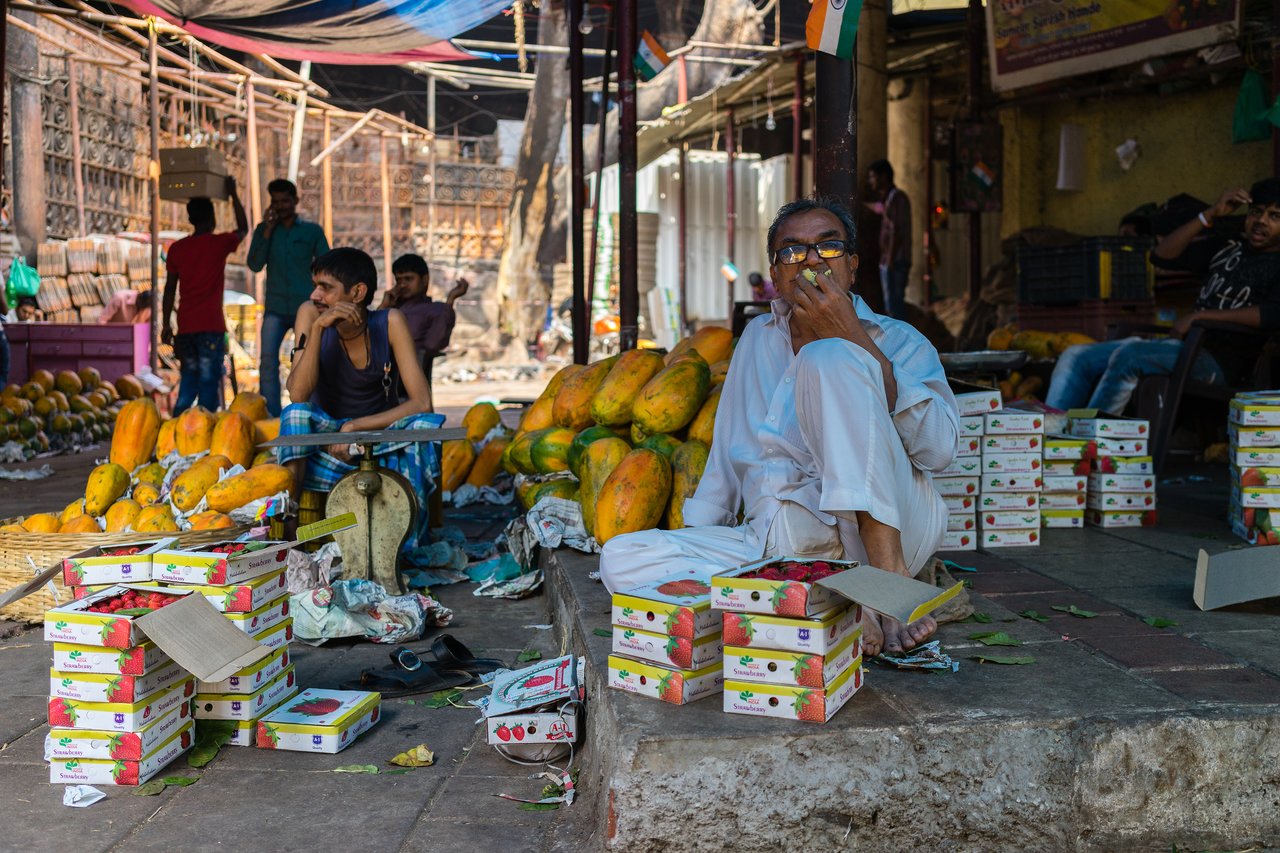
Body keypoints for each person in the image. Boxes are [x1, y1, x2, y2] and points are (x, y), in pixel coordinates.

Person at [599, 197, 961, 656]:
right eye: (793, 251)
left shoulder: (902, 340)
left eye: (828, 247)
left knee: (828, 357)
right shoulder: (756, 340)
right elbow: (728, 456)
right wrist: (693, 537)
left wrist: (851, 335)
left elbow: (939, 451)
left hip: (891, 531)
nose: (811, 259)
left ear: (852, 265)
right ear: (776, 275)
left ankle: (887, 585)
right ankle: (834, 607)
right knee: (622, 558)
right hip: (781, 546)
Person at [1046, 180, 1280, 414]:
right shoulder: (1229, 246)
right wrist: (1209, 213)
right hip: (1182, 347)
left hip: (1220, 363)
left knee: (1130, 356)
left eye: (1274, 216)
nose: (1261, 221)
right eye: (1256, 212)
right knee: (1075, 356)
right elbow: (1162, 256)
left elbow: (1272, 314)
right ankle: (1051, 439)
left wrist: (1201, 316)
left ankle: (1092, 441)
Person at [276, 247, 443, 550]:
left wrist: (355, 427)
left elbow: (421, 402)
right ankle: (291, 530)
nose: (316, 295)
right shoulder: (309, 314)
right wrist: (316, 329)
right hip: (325, 442)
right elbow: (298, 394)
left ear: (357, 292)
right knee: (295, 415)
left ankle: (404, 544)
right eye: (315, 285)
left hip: (377, 439)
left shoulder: (390, 321)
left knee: (425, 426)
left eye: (325, 288)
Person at [161, 179, 249, 413]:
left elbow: (169, 290)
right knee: (209, 384)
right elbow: (244, 228)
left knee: (189, 380)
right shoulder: (219, 243)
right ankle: (204, 433)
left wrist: (165, 325)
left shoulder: (177, 249)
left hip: (186, 327)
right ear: (213, 218)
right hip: (211, 326)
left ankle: (179, 425)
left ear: (190, 219)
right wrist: (233, 195)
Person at [248, 178, 330, 417]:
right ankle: (273, 416)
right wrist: (266, 232)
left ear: (295, 201)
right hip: (274, 307)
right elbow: (254, 264)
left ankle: (309, 411)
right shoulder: (264, 231)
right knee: (267, 362)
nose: (281, 206)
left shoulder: (312, 231)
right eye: (276, 201)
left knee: (310, 356)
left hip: (305, 306)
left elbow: (327, 264)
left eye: (285, 200)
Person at [378, 253, 469, 385]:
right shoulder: (391, 308)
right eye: (399, 280)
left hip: (406, 379)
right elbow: (369, 338)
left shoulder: (435, 310)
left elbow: (434, 344)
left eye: (408, 279)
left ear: (425, 280)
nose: (403, 285)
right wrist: (384, 305)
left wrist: (450, 300)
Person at [867, 159, 912, 320]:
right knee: (892, 306)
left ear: (884, 177)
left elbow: (896, 231)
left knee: (894, 307)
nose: (870, 181)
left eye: (872, 177)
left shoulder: (896, 198)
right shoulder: (888, 199)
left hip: (895, 261)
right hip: (891, 261)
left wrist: (890, 260)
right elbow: (880, 209)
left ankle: (899, 344)